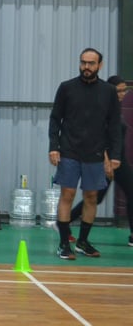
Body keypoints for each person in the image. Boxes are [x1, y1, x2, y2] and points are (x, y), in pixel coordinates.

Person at [49, 48, 121, 260]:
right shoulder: (66, 88)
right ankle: (64, 243)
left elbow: (114, 125)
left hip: (95, 153)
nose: (86, 67)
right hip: (69, 151)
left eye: (91, 63)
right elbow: (55, 119)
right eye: (83, 62)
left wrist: (115, 155)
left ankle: (82, 242)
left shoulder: (108, 91)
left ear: (100, 65)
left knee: (91, 197)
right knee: (68, 195)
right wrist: (54, 147)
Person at [66, 75, 133, 246]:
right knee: (95, 198)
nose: (122, 94)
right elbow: (100, 138)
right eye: (118, 90)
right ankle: (63, 225)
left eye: (124, 90)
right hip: (107, 162)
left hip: (119, 161)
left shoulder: (116, 108)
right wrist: (106, 161)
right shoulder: (104, 109)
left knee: (122, 194)